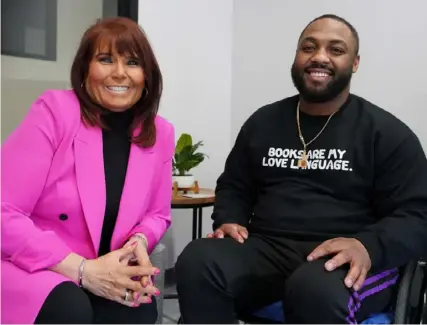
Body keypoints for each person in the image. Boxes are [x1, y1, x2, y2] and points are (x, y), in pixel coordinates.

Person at [175, 14, 427, 324]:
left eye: (336, 49)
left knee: (313, 288)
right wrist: (230, 218)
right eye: (309, 47)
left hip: (347, 257)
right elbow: (235, 185)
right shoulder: (263, 123)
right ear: (297, 57)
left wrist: (368, 246)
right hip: (268, 250)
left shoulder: (387, 134)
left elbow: (418, 214)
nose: (319, 56)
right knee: (198, 261)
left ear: (355, 62)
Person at [1, 17, 174, 324]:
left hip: (102, 267)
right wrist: (82, 270)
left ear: (146, 75)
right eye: (106, 59)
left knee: (138, 307)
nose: (120, 72)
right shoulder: (54, 112)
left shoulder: (160, 133)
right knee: (69, 306)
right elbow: (4, 212)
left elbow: (157, 215)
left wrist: (139, 242)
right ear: (85, 71)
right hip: (32, 265)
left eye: (132, 62)